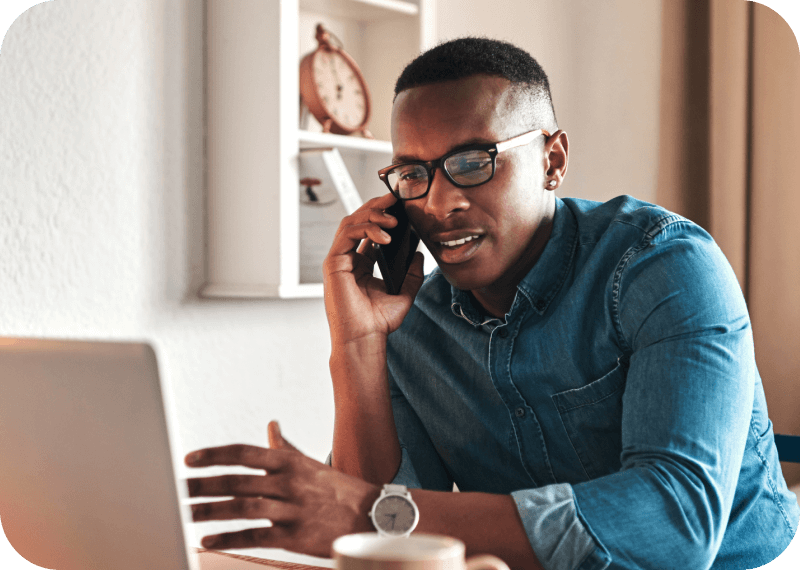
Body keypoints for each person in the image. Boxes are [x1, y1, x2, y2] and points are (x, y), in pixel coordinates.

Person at [185, 37, 799, 569]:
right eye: (413, 174)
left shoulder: (663, 266)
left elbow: (677, 524)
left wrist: (368, 513)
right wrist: (358, 345)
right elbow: (372, 533)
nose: (438, 202)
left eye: (473, 163)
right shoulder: (412, 318)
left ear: (552, 161)